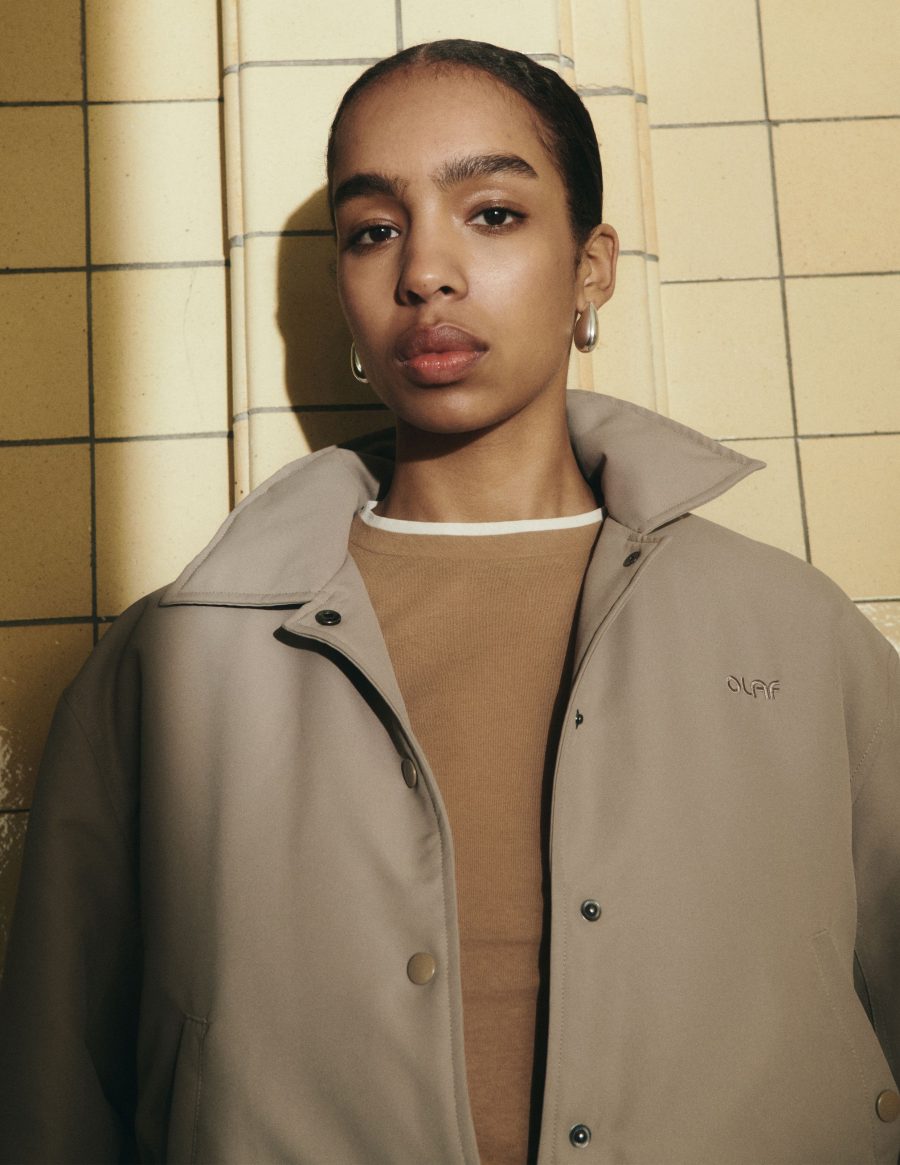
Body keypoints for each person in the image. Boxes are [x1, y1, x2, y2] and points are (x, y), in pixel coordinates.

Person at [1, 37, 898, 1165]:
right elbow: (54, 1090)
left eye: (493, 214)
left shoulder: (796, 631)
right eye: (374, 230)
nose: (425, 270)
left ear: (592, 267)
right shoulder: (175, 660)